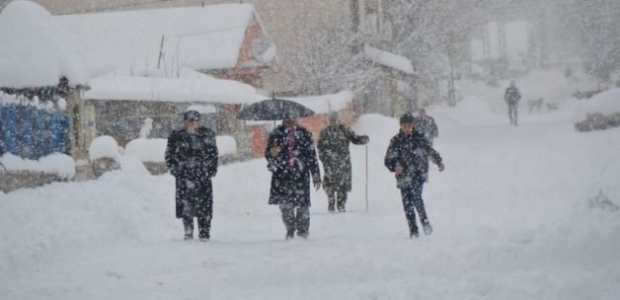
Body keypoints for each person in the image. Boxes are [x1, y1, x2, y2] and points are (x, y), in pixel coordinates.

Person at [384, 113, 445, 238]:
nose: (407, 128)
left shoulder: (419, 139)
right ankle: (413, 229)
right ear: (401, 126)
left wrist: (438, 161)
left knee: (416, 197)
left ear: (413, 125)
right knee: (407, 203)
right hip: (403, 176)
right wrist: (395, 166)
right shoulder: (396, 141)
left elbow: (429, 151)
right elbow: (388, 159)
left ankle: (425, 221)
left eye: (409, 126)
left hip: (418, 174)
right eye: (405, 126)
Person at [265, 115, 321, 240]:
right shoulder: (276, 135)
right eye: (287, 121)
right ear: (283, 121)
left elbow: (312, 157)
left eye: (292, 121)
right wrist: (272, 153)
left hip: (300, 176)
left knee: (302, 205)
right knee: (285, 206)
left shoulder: (304, 134)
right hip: (282, 176)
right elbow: (268, 154)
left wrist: (316, 177)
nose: (290, 123)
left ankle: (303, 231)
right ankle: (290, 229)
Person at [165, 110, 218, 241]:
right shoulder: (177, 136)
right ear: (185, 122)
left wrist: (208, 170)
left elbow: (213, 155)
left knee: (204, 207)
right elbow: (169, 156)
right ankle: (188, 231)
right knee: (186, 205)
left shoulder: (207, 135)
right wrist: (176, 169)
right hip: (184, 176)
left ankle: (204, 232)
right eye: (190, 121)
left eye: (195, 120)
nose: (193, 123)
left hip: (202, 177)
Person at [317, 112, 369, 213]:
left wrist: (364, 139)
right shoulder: (325, 132)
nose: (334, 123)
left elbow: (355, 139)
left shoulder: (345, 130)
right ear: (330, 122)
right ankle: (331, 204)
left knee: (343, 185)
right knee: (329, 185)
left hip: (343, 163)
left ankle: (341, 205)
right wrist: (323, 159)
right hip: (330, 164)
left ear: (339, 121)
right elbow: (320, 148)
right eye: (332, 121)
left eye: (336, 121)